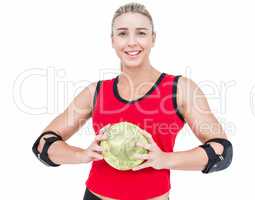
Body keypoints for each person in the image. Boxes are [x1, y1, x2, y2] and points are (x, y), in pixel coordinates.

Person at [32, 3, 233, 200]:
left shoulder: (180, 89)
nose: (131, 42)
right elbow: (43, 145)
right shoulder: (96, 91)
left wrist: (165, 159)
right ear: (112, 40)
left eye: (141, 33)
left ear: (153, 39)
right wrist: (81, 155)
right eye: (122, 33)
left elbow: (222, 151)